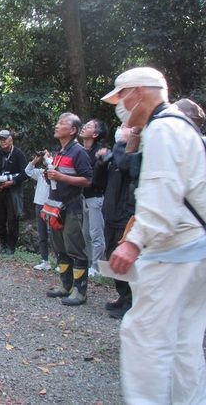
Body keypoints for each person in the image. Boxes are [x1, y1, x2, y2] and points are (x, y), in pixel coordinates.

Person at [103, 67, 206, 404]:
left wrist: (134, 241)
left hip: (173, 249)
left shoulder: (164, 129)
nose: (119, 105)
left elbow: (161, 193)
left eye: (121, 97)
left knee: (144, 337)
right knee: (184, 341)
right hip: (197, 247)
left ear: (138, 92)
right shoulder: (181, 126)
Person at [44, 113, 93, 306]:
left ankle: (80, 292)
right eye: (57, 122)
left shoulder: (78, 152)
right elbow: (57, 176)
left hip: (72, 206)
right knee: (60, 247)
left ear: (73, 130)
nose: (57, 126)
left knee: (75, 248)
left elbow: (88, 180)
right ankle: (66, 286)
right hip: (55, 207)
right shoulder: (61, 152)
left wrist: (61, 177)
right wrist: (49, 174)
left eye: (61, 123)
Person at [93, 123, 136, 319]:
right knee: (112, 257)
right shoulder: (115, 155)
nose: (121, 127)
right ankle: (122, 296)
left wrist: (122, 143)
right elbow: (99, 182)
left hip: (125, 215)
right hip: (110, 214)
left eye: (126, 125)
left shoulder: (134, 154)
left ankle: (131, 302)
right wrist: (101, 164)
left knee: (125, 260)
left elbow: (127, 165)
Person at [0, 130, 28, 255]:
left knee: (12, 220)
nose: (3, 141)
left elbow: (25, 173)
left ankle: (11, 247)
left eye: (5, 139)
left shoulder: (18, 154)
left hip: (13, 191)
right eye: (1, 139)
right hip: (0, 191)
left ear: (11, 140)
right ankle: (3, 243)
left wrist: (12, 182)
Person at [79, 119, 108, 276]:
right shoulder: (80, 151)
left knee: (96, 233)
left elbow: (95, 177)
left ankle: (96, 267)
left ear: (95, 134)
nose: (84, 127)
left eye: (88, 126)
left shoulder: (101, 153)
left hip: (96, 197)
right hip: (83, 197)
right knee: (86, 234)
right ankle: (90, 264)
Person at [25, 150, 52, 270]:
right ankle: (45, 260)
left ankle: (61, 261)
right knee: (42, 235)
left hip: (52, 206)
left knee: (55, 235)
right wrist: (35, 160)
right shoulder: (41, 173)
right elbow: (28, 171)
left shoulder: (55, 172)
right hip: (40, 205)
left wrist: (48, 159)